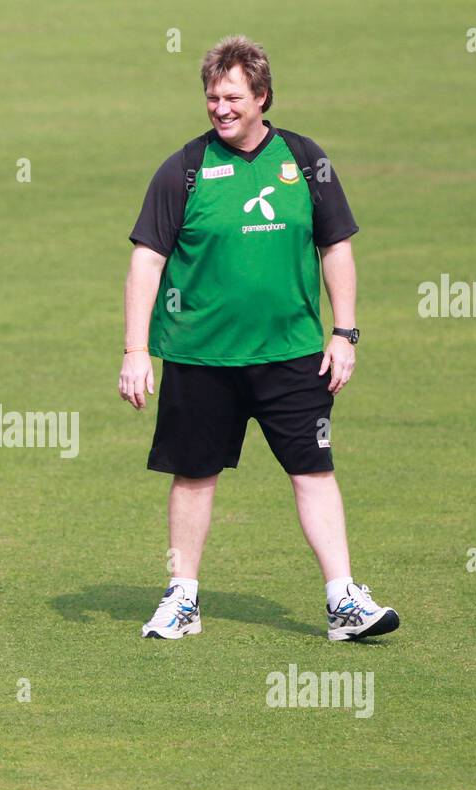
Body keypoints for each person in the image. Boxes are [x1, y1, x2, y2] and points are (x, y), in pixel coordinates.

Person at [119, 35, 400, 642]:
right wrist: (136, 349)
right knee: (194, 474)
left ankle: (343, 603)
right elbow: (146, 260)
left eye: (233, 97)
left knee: (313, 470)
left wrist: (344, 333)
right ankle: (182, 599)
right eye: (212, 97)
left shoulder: (304, 160)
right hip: (201, 357)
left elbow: (336, 247)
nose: (220, 108)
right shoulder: (184, 169)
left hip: (292, 355)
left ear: (262, 96)